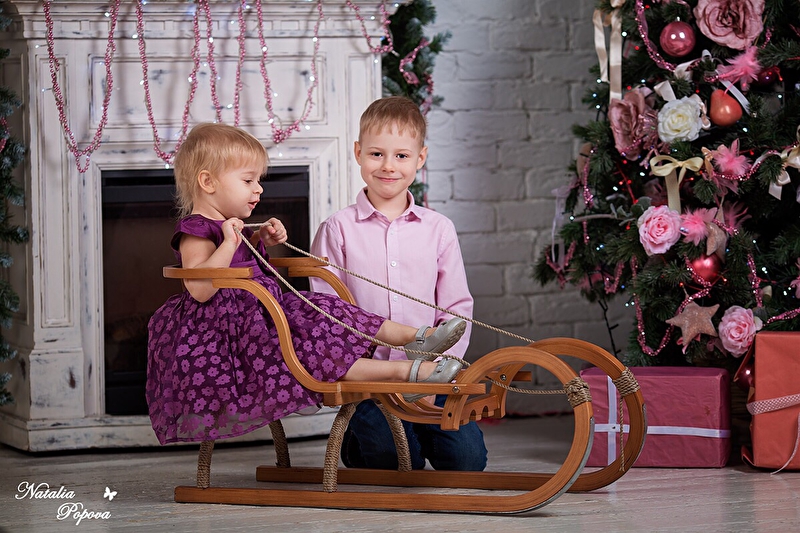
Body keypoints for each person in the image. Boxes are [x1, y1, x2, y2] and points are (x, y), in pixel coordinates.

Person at [145, 122, 468, 446]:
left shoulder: (233, 226)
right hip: (230, 330)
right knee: (313, 349)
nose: (258, 189)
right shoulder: (195, 230)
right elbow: (200, 288)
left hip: (265, 313)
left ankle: (419, 337)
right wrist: (231, 241)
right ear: (208, 182)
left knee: (334, 311)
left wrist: (258, 240)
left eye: (258, 180)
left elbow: (244, 265)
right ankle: (409, 371)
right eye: (248, 180)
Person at [310, 96, 487, 471]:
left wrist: (436, 373)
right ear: (358, 153)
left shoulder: (439, 229)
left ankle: (412, 432)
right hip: (372, 381)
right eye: (376, 154)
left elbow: (456, 308)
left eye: (401, 156)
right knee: (395, 461)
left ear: (420, 158)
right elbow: (327, 313)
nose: (388, 166)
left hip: (433, 376)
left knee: (468, 461)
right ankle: (359, 442)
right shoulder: (336, 229)